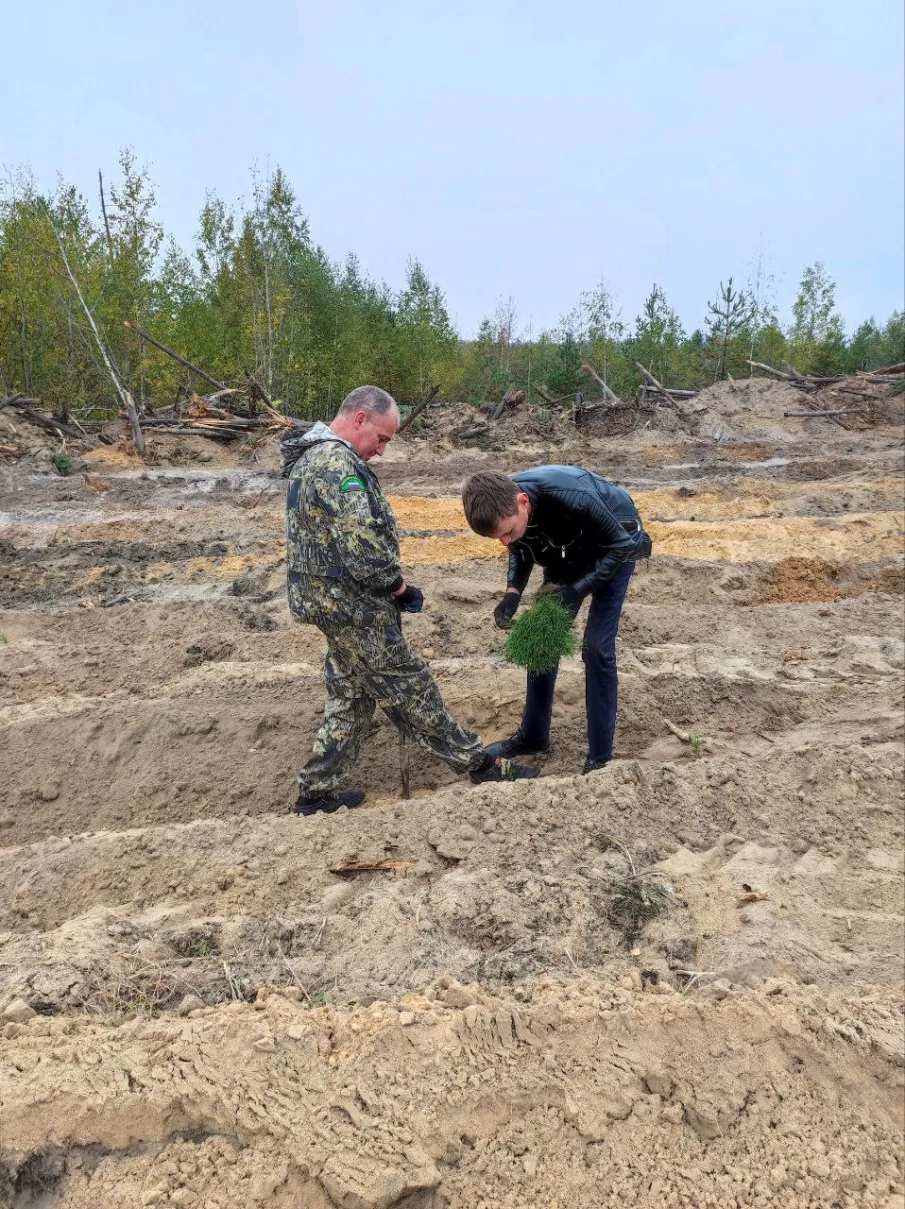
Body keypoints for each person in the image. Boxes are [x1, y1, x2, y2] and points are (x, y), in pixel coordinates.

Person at [281, 386, 539, 816]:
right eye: (382, 439)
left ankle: (315, 792)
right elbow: (362, 548)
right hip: (354, 607)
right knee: (411, 686)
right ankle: (480, 764)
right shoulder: (338, 466)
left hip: (329, 603)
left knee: (353, 693)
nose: (381, 451)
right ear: (359, 419)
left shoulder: (310, 458)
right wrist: (398, 588)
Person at [461, 466, 652, 774]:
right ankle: (534, 737)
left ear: (523, 502)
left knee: (596, 648)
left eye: (507, 532)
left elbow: (621, 545)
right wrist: (512, 592)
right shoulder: (507, 503)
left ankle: (600, 759)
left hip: (616, 543)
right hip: (567, 548)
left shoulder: (573, 497)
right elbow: (520, 545)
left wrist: (575, 591)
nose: (505, 542)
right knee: (541, 638)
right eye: (499, 537)